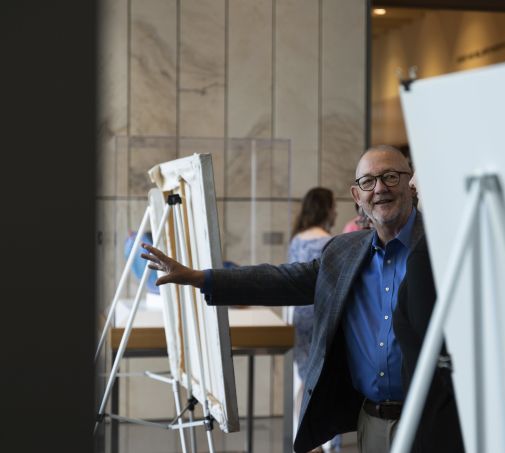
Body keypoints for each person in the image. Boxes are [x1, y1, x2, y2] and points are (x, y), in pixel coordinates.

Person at [141, 145, 419, 453]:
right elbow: (281, 280)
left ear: (411, 184)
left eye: (391, 177)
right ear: (357, 196)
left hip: (432, 418)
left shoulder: (440, 248)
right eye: (368, 181)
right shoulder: (343, 253)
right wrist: (200, 277)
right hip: (373, 422)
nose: (379, 188)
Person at [393, 175, 466, 452]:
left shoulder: (427, 254)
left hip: (438, 425)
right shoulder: (450, 244)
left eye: (418, 169)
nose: (411, 183)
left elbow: (437, 353)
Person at [287, 187, 340, 452]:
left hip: (300, 317)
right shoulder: (328, 242)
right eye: (333, 205)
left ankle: (305, 440)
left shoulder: (297, 239)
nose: (336, 211)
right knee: (323, 382)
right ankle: (321, 444)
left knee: (306, 381)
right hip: (321, 318)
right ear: (325, 208)